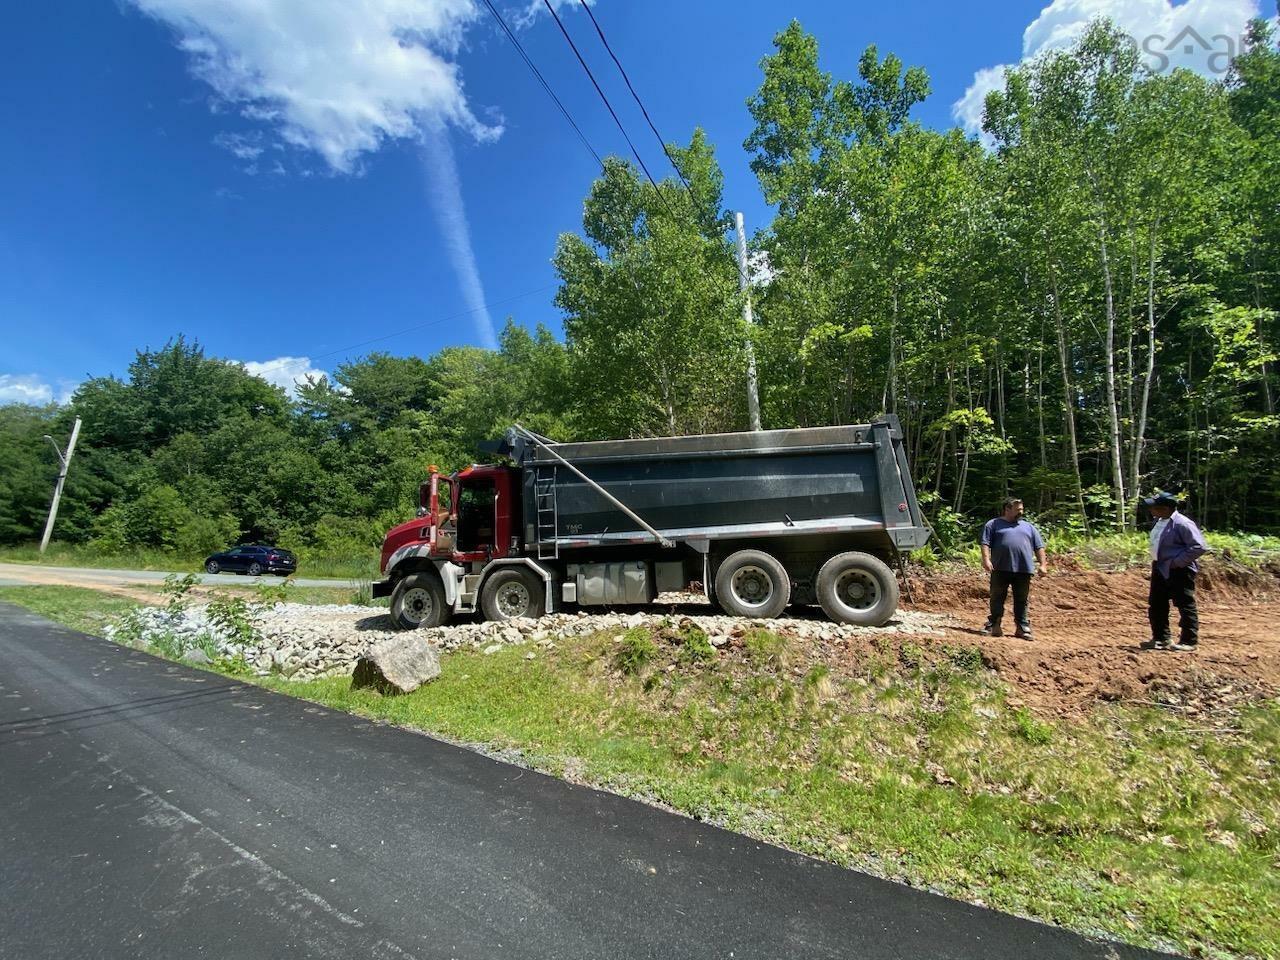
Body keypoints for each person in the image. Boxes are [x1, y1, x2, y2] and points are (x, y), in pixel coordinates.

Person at [1142, 492, 1208, 652]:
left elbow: (1199, 546)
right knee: (1157, 604)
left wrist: (1177, 562)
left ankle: (1189, 641)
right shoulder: (1159, 521)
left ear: (1165, 509)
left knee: (1185, 604)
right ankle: (1161, 638)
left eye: (1154, 507)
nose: (1151, 510)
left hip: (1179, 570)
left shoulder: (1182, 524)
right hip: (1159, 566)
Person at [979, 497, 1048, 639]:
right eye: (1018, 510)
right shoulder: (993, 524)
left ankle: (1022, 627)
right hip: (1000, 567)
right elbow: (985, 543)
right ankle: (994, 624)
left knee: (1021, 599)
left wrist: (1043, 564)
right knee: (997, 596)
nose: (1021, 512)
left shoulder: (1028, 527)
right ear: (1007, 509)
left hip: (1024, 569)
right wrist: (986, 559)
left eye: (1022, 509)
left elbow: (1039, 547)